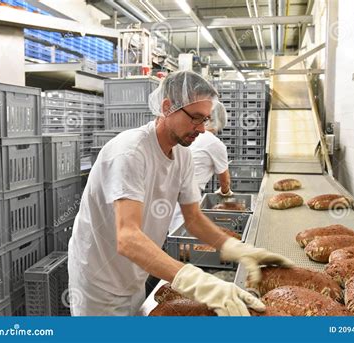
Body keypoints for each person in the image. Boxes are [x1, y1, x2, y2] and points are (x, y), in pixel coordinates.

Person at [68, 70, 294, 316]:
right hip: (99, 283)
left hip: (133, 274)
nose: (202, 129)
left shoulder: (183, 154)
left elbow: (194, 219)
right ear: (167, 107)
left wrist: (235, 248)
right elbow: (127, 237)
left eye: (206, 119)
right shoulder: (130, 153)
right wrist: (195, 281)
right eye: (195, 118)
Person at [168, 101, 232, 234]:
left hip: (169, 190)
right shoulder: (216, 144)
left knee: (170, 233)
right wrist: (225, 193)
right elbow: (224, 180)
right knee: (181, 237)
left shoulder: (186, 137)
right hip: (188, 194)